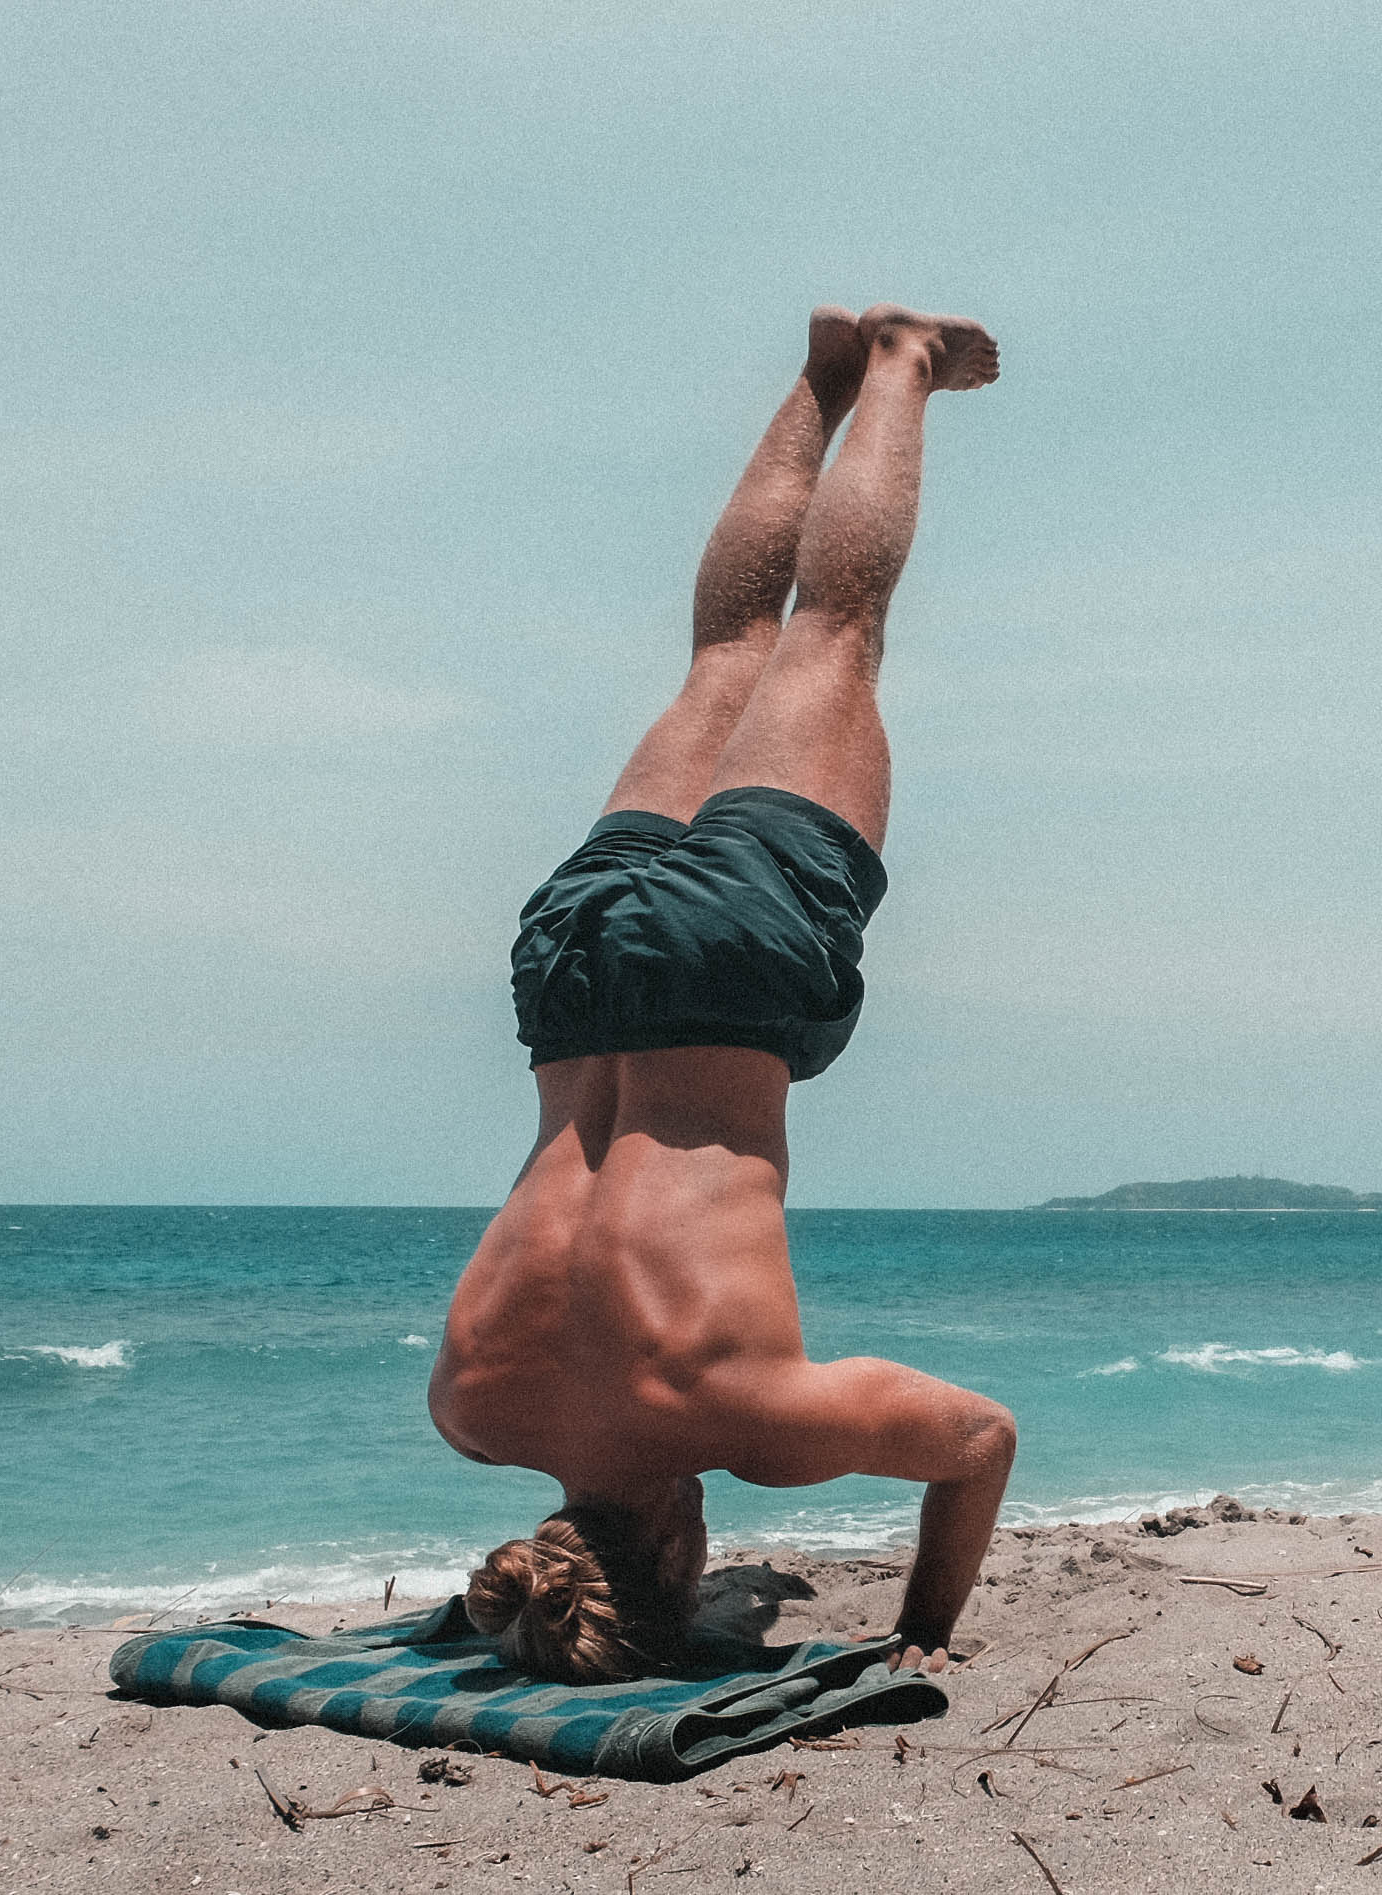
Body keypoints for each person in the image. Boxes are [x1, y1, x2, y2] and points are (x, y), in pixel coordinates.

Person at [426, 306, 1012, 1684]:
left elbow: (977, 1444)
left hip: (731, 974)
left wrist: (921, 1631)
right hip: (573, 981)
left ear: (681, 1559)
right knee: (726, 653)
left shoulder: (750, 1415)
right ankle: (821, 373)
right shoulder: (468, 1408)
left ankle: (902, 362)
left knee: (835, 632)